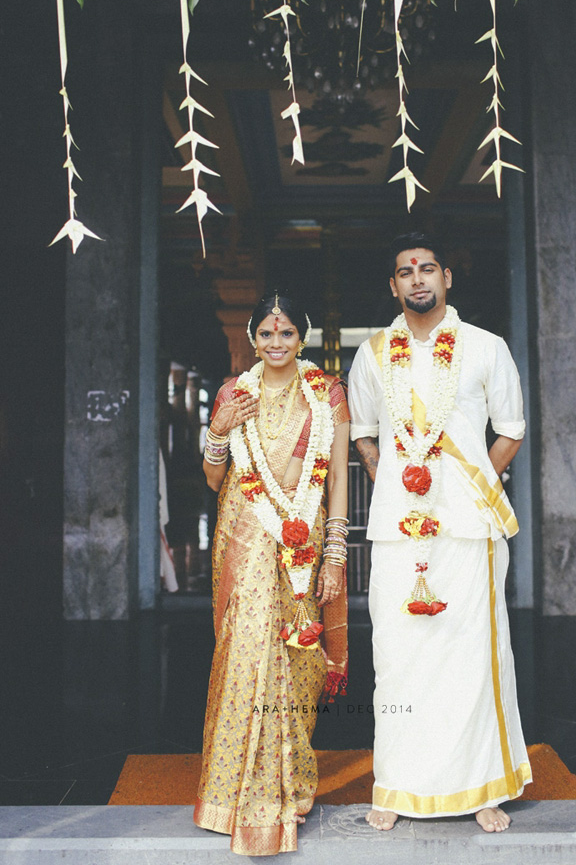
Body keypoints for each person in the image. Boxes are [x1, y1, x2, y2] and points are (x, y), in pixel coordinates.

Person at [348, 233, 532, 835]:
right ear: (393, 286)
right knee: (398, 658)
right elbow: (363, 434)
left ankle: (483, 784)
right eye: (406, 272)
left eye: (428, 269)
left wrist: (470, 479)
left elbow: (510, 430)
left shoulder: (485, 347)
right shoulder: (373, 354)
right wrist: (394, 477)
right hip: (400, 531)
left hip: (469, 526)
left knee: (473, 655)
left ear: (447, 277)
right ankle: (397, 782)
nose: (418, 279)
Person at [194, 292, 350, 856]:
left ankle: (290, 783)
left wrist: (335, 553)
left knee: (298, 656)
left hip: (303, 535)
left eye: (286, 334)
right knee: (247, 648)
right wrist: (220, 428)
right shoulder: (234, 392)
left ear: (301, 337)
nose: (276, 343)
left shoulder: (327, 392)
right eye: (266, 334)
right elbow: (214, 479)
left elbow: (335, 481)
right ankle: (233, 795)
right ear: (254, 339)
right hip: (243, 530)